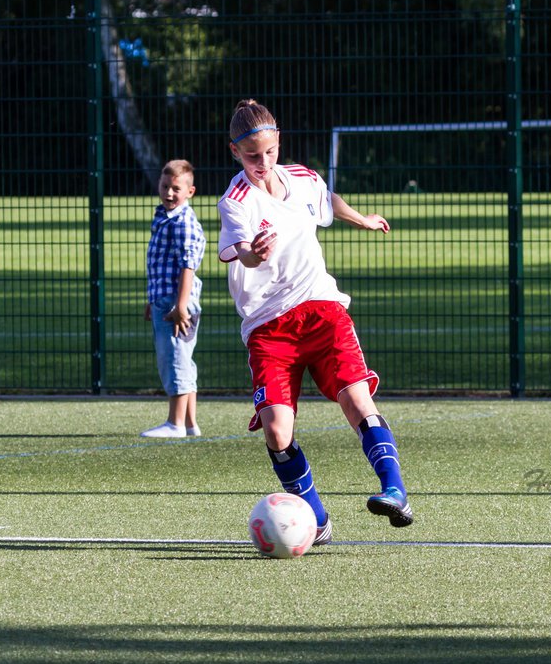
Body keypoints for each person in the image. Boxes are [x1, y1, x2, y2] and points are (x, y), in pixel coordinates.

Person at [217, 99, 413, 545]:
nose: (263, 163)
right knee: (276, 430)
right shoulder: (235, 201)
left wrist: (360, 218)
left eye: (269, 152)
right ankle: (317, 522)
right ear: (234, 152)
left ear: (278, 142)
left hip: (322, 309)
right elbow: (239, 249)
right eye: (252, 156)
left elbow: (327, 201)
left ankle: (395, 492)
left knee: (356, 399)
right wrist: (254, 253)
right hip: (269, 326)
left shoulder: (302, 178)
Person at [140, 159, 207, 438]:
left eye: (176, 189)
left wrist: (180, 305)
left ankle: (175, 423)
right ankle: (190, 423)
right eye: (165, 186)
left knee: (174, 358)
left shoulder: (183, 222)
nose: (168, 193)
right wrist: (152, 299)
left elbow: (187, 266)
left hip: (176, 303)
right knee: (182, 359)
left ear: (190, 191)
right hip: (164, 298)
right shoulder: (165, 216)